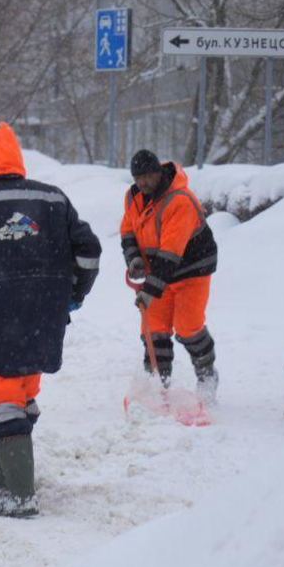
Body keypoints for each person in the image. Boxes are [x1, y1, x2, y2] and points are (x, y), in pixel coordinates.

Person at [0, 122, 101, 518]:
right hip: (45, 317)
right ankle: (3, 477)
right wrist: (73, 294)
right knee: (24, 392)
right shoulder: (54, 199)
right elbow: (89, 253)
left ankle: (20, 496)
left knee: (3, 397)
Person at [120, 150, 220, 403]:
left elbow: (170, 253)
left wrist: (149, 291)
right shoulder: (133, 197)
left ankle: (207, 376)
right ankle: (158, 385)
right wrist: (134, 259)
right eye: (138, 178)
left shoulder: (179, 200)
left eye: (148, 177)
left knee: (188, 327)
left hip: (191, 270)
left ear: (159, 173)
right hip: (159, 273)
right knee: (154, 329)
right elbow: (128, 231)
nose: (143, 183)